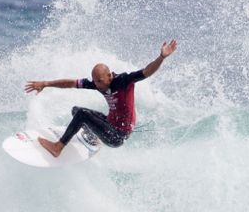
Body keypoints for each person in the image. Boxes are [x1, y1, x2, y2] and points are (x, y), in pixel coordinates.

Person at [23, 40, 177, 157]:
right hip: (109, 124)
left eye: (101, 82)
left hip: (117, 135)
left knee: (82, 114)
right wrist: (45, 83)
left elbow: (146, 72)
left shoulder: (123, 81)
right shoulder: (97, 84)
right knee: (76, 111)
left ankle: (58, 148)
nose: (98, 86)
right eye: (95, 82)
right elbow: (70, 83)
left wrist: (161, 57)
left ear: (109, 76)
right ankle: (92, 137)